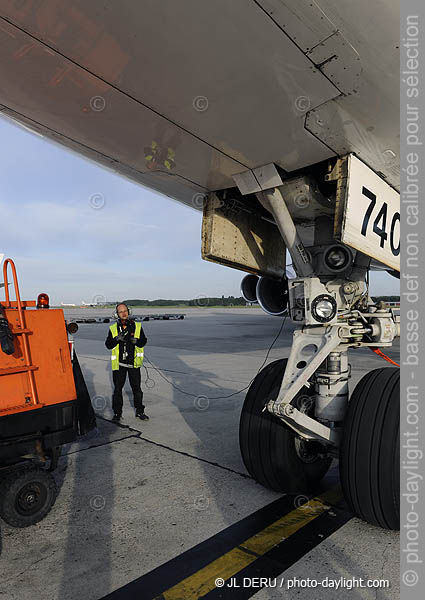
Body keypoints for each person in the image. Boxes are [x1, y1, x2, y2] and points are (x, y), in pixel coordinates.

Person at [105, 303, 148, 422]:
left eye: (125, 311)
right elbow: (108, 345)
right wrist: (116, 339)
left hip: (133, 364)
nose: (123, 313)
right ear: (116, 314)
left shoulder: (137, 326)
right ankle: (117, 414)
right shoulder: (113, 328)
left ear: (129, 312)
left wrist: (137, 341)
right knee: (117, 390)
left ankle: (140, 411)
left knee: (137, 389)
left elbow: (144, 341)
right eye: (120, 312)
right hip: (119, 365)